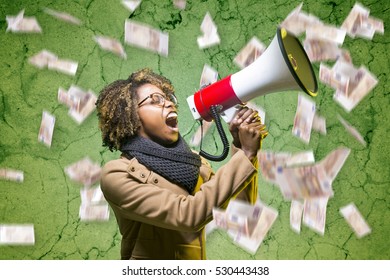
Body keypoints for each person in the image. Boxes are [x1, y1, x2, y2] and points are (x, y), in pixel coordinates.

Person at [95, 68, 268, 260]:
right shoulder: (117, 174)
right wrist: (244, 157)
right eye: (155, 100)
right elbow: (188, 215)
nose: (169, 103)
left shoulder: (193, 161)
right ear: (131, 117)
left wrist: (242, 150)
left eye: (168, 98)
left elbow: (241, 209)